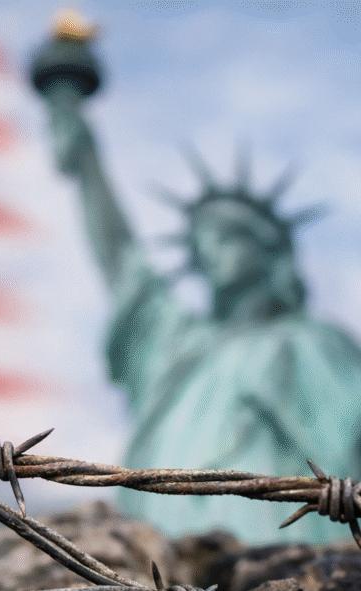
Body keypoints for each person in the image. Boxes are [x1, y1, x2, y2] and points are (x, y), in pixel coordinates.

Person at [41, 70, 361, 544]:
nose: (213, 252)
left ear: (272, 251)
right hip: (155, 557)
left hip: (286, 550)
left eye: (228, 235)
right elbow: (122, 258)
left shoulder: (315, 341)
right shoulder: (178, 341)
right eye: (200, 243)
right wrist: (82, 151)